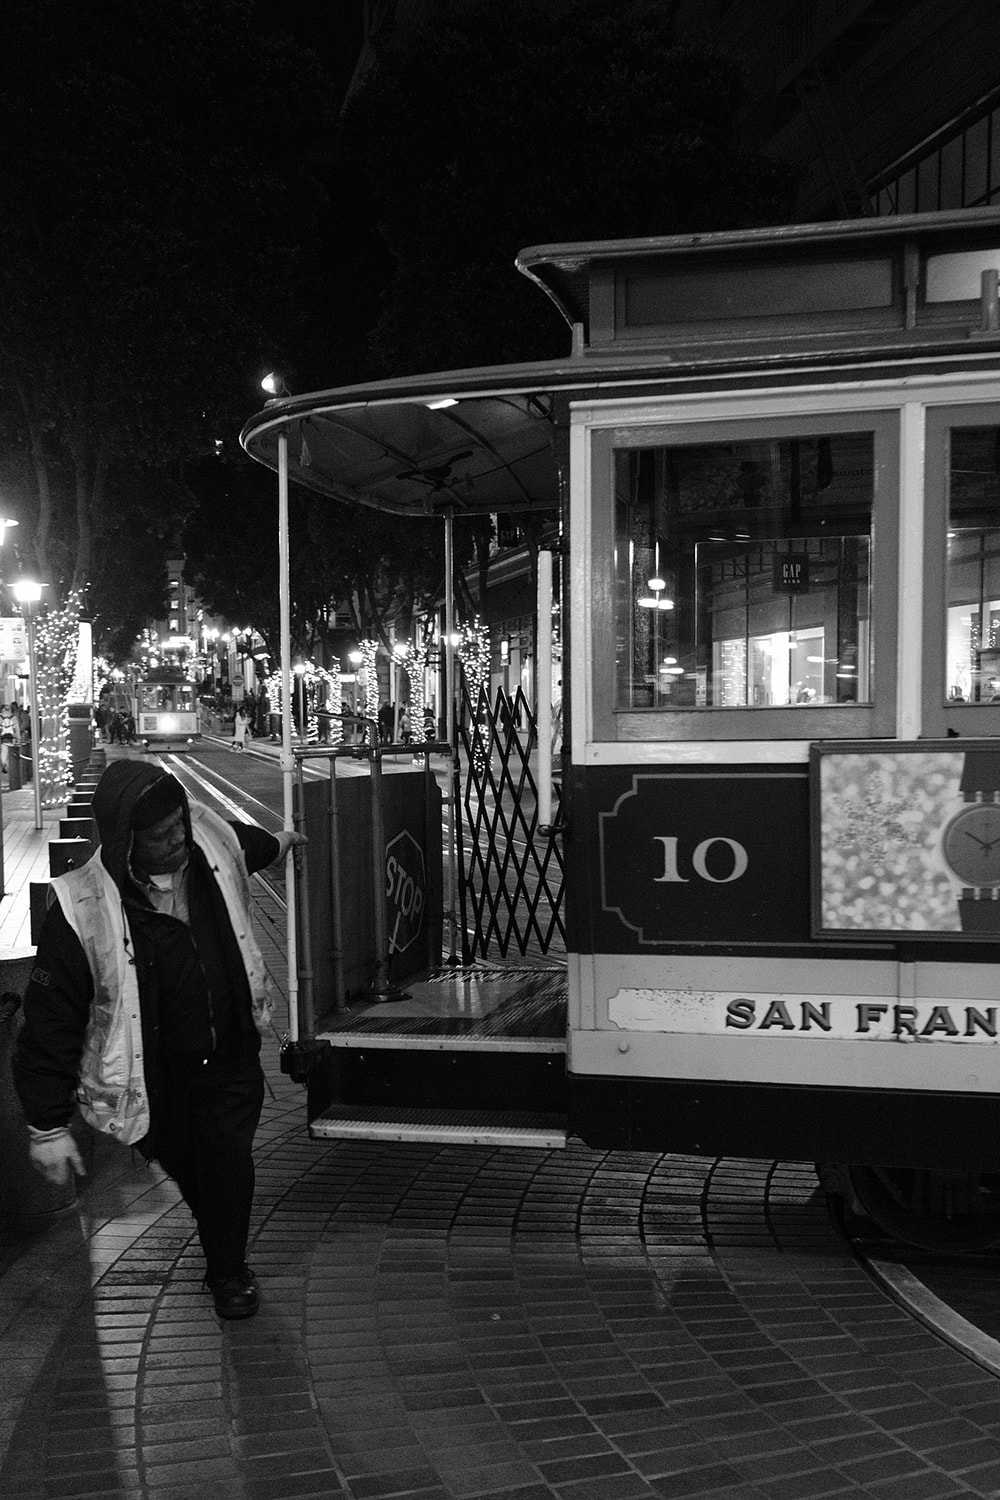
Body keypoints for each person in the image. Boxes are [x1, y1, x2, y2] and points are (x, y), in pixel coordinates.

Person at [13, 761, 306, 1320]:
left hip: (229, 1053)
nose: (178, 840)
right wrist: (46, 1125)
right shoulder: (82, 908)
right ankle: (222, 1237)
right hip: (150, 1079)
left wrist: (284, 840)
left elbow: (244, 845)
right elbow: (49, 1026)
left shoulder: (205, 838)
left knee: (227, 1162)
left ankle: (228, 1272)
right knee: (193, 1168)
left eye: (179, 825)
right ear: (126, 842)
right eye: (161, 836)